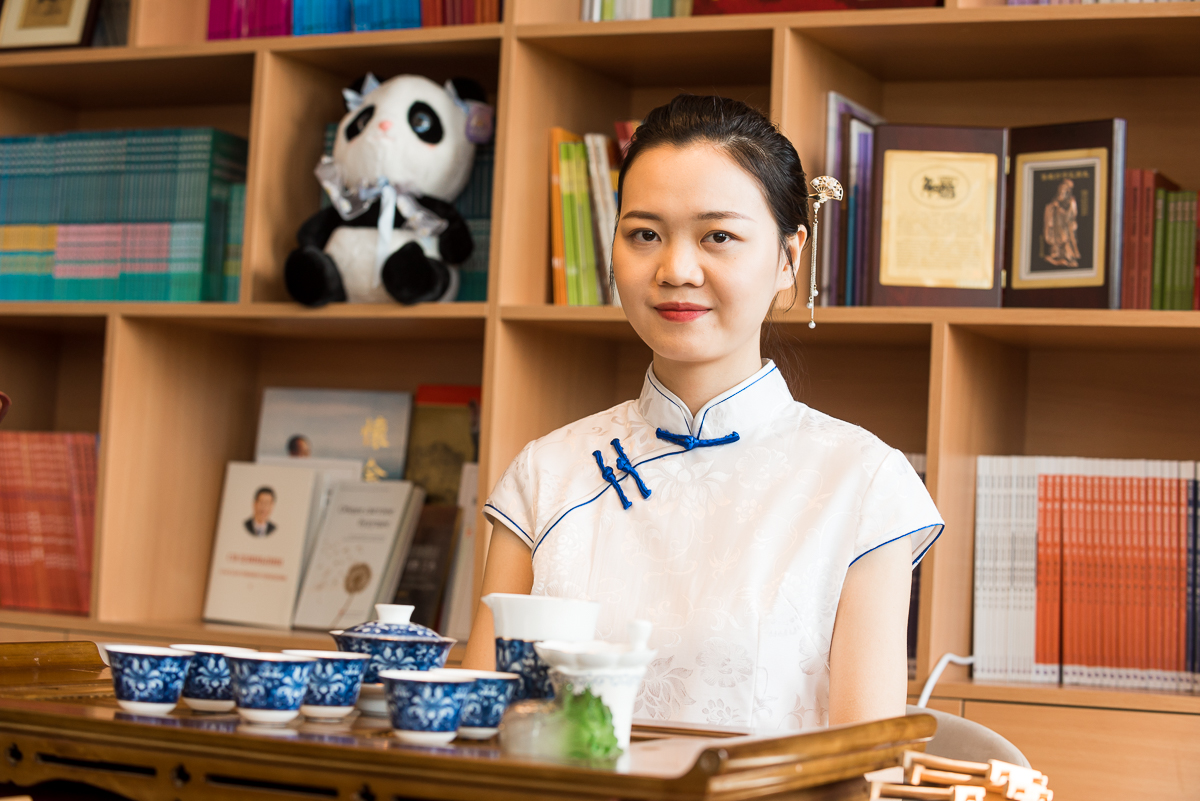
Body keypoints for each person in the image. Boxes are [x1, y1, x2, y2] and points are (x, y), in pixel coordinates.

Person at [463, 95, 943, 731]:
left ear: (789, 258)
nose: (676, 269)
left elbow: (866, 761)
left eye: (718, 236)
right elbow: (476, 732)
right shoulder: (546, 474)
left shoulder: (864, 483)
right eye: (645, 234)